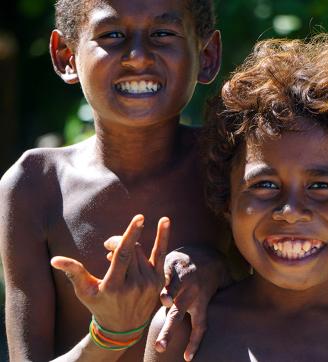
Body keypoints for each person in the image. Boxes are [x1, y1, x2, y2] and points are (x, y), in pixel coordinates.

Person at [145, 33, 328, 361]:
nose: (291, 211)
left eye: (321, 186)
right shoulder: (185, 330)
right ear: (228, 201)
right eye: (265, 185)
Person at [0, 0, 228, 361]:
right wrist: (110, 335)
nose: (138, 57)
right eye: (113, 35)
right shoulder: (36, 186)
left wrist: (219, 267)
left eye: (163, 34)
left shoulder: (233, 167)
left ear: (208, 55)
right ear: (66, 56)